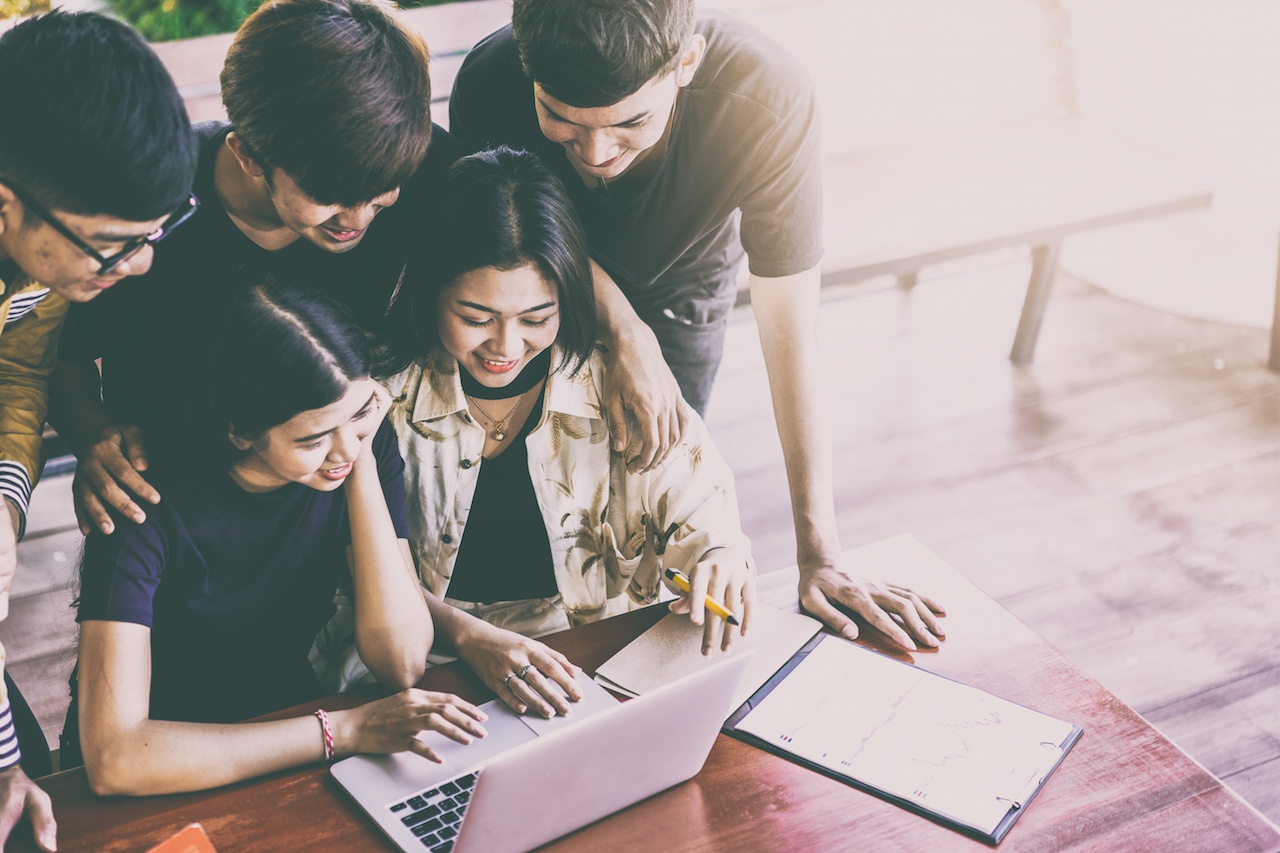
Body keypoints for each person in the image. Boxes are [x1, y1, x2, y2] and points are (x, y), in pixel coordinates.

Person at [449, 0, 946, 650]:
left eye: (631, 120)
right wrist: (623, 329)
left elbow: (790, 327)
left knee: (651, 482)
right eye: (561, 121)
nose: (595, 153)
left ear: (685, 63)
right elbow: (503, 236)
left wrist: (818, 550)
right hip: (528, 279)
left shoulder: (765, 97)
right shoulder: (490, 81)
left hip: (681, 285)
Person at [316, 147, 755, 720]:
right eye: (475, 318)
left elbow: (704, 512)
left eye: (536, 319)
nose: (504, 347)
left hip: (582, 660)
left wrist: (720, 553)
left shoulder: (616, 385)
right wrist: (473, 641)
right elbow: (355, 576)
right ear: (431, 290)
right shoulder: (376, 397)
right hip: (417, 670)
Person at [47, 0, 459, 539]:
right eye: (330, 197)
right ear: (247, 155)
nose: (358, 219)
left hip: (359, 479)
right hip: (186, 502)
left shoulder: (414, 162)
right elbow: (59, 348)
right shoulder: (151, 206)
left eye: (380, 196)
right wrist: (91, 431)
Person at [66, 280, 489, 796]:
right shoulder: (143, 502)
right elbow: (116, 759)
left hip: (286, 727)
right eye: (312, 439)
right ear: (241, 432)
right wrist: (347, 730)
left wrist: (359, 461)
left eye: (360, 414)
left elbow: (400, 659)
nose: (342, 452)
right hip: (169, 761)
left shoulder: (358, 452)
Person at [0, 10, 197, 846]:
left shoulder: (42, 269)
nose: (142, 263)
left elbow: (16, 371)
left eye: (157, 230)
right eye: (114, 246)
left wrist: (7, 503)